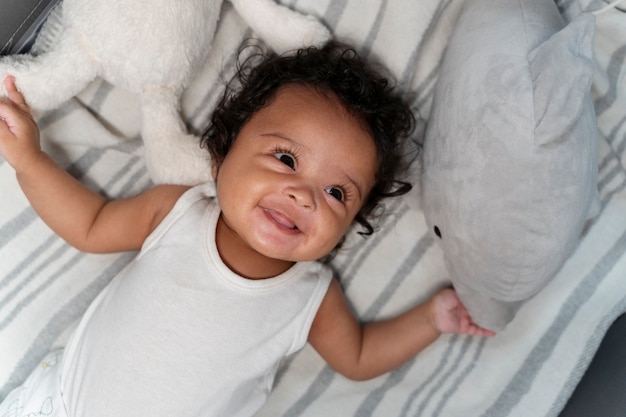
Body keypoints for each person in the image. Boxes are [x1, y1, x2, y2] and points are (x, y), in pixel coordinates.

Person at [0, 42, 494, 417]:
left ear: (345, 230)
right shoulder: (178, 212)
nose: (304, 194)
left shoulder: (310, 297)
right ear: (222, 152)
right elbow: (88, 225)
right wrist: (29, 161)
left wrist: (434, 318)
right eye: (285, 159)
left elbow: (358, 356)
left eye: (337, 194)